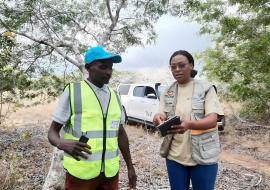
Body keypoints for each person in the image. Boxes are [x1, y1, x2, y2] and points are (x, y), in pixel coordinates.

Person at [48, 45, 137, 190]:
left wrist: (130, 166)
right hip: (81, 174)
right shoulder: (73, 91)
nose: (109, 72)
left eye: (110, 68)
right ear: (88, 67)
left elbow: (120, 133)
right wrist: (62, 144)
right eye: (103, 67)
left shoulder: (115, 96)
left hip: (110, 174)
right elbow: (52, 132)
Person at [153, 50, 224, 190]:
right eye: (173, 67)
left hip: (203, 157)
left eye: (181, 65)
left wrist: (190, 124)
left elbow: (212, 119)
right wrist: (157, 118)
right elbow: (160, 113)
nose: (177, 70)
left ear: (191, 65)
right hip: (175, 157)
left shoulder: (206, 88)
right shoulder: (168, 91)